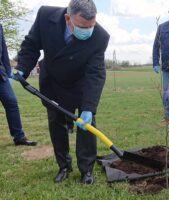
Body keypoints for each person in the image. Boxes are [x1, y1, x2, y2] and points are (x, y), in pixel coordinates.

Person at [12, 0, 109, 184]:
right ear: (67, 18)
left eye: (91, 26)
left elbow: (95, 72)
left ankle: (86, 170)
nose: (88, 31)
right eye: (82, 26)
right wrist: (23, 67)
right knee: (56, 121)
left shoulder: (100, 37)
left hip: (80, 83)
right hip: (53, 81)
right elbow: (31, 45)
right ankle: (64, 166)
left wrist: (88, 107)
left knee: (87, 125)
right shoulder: (45, 17)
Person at [0, 23, 37, 146]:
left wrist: (6, 70)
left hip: (1, 75)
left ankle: (19, 137)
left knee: (11, 103)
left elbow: (3, 50)